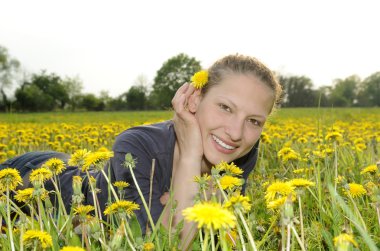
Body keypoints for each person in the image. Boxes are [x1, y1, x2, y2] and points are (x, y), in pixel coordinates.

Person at [0, 54, 282, 249]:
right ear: (195, 99)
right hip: (30, 182)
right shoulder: (136, 144)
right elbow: (165, 244)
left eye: (253, 121)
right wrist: (190, 155)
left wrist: (181, 204)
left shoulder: (243, 151)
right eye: (225, 107)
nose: (236, 132)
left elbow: (209, 232)